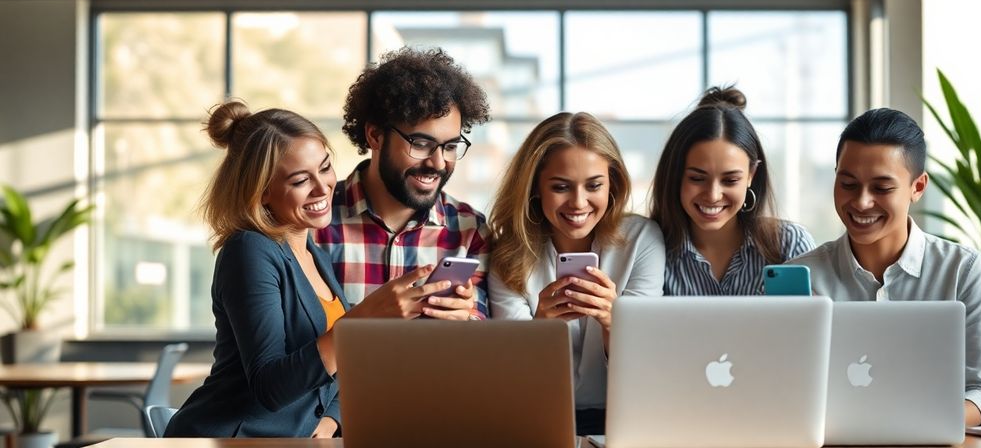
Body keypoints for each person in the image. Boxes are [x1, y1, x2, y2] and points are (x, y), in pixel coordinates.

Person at [786, 107, 981, 426]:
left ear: (917, 187)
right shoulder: (801, 276)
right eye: (847, 184)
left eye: (881, 188)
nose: (861, 202)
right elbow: (785, 391)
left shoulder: (963, 270)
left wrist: (913, 424)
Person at [166, 101, 346, 438]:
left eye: (325, 168)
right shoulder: (249, 250)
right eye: (300, 180)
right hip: (232, 437)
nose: (322, 188)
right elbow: (270, 386)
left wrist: (330, 420)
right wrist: (360, 326)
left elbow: (335, 372)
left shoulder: (315, 255)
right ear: (262, 192)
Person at [487, 112, 666, 435]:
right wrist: (541, 329)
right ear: (536, 188)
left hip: (626, 418)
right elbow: (511, 378)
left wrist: (615, 320)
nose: (578, 202)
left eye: (594, 185)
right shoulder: (508, 253)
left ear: (613, 183)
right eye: (561, 187)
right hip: (538, 418)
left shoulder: (642, 239)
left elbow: (648, 368)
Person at [315, 47, 491, 319]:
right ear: (375, 136)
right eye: (421, 144)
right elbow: (296, 346)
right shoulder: (314, 222)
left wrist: (468, 321)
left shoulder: (471, 231)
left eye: (450, 146)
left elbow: (490, 349)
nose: (439, 163)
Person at [650, 86, 815, 295]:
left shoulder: (789, 245)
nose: (713, 195)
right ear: (675, 175)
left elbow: (809, 326)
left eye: (730, 180)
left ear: (751, 175)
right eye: (697, 178)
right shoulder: (651, 250)